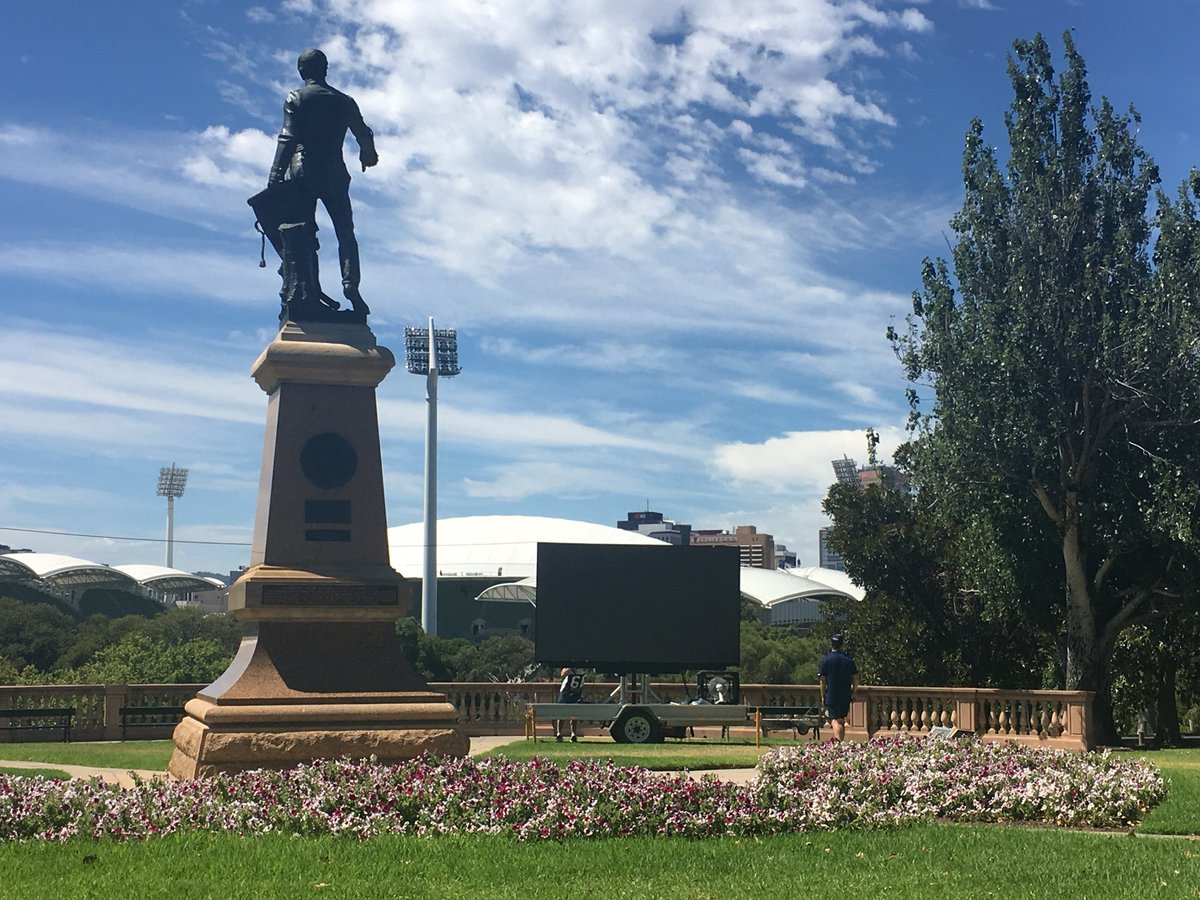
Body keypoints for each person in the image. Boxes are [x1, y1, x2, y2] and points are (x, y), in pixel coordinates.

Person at [268, 48, 379, 317]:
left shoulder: (296, 97)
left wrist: (275, 174)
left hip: (303, 169)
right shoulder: (344, 101)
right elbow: (364, 133)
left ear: (301, 71)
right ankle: (351, 286)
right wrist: (368, 154)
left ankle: (311, 292)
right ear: (325, 69)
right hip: (334, 170)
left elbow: (288, 137)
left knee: (305, 233)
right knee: (345, 232)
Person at [818, 633, 859, 742]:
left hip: (832, 694)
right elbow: (856, 679)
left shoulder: (826, 660)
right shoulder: (848, 660)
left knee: (834, 721)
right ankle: (841, 742)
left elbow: (822, 681)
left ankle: (838, 743)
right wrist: (854, 692)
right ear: (841, 644)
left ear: (831, 644)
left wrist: (823, 696)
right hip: (845, 694)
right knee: (841, 720)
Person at [555, 667, 584, 742]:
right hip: (566, 692)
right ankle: (559, 733)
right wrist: (570, 669)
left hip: (576, 691)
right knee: (562, 713)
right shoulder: (569, 666)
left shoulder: (581, 667)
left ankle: (573, 734)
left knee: (574, 713)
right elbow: (562, 674)